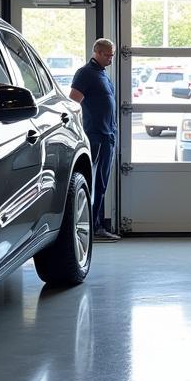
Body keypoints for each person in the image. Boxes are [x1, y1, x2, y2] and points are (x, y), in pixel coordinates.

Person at [70, 38, 120, 241]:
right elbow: (73, 102)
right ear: (97, 52)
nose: (111, 58)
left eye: (112, 55)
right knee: (93, 182)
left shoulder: (102, 74)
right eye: (108, 55)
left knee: (102, 183)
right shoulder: (85, 73)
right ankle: (91, 227)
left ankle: (97, 226)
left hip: (108, 134)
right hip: (95, 135)